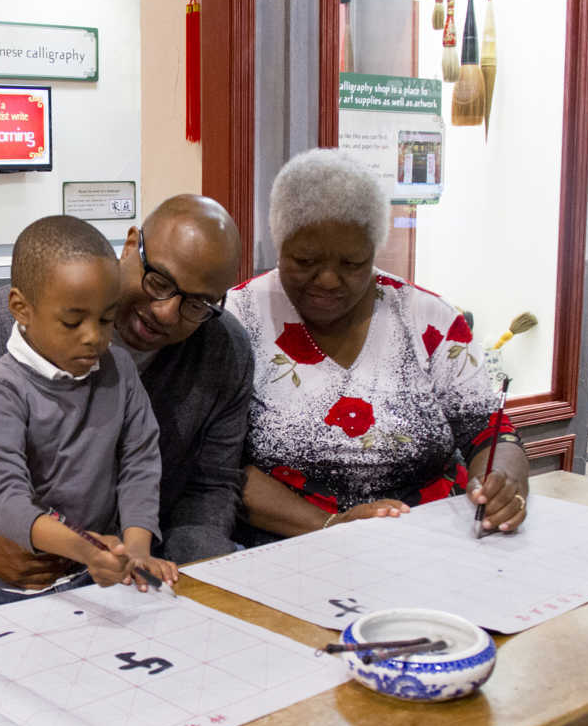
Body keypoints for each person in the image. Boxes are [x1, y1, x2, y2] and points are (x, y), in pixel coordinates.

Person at [0, 195, 251, 611]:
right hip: (10, 580)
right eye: (159, 281)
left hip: (117, 572)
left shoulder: (217, 349)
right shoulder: (0, 331)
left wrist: (177, 569)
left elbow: (203, 483)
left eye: (197, 304)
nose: (165, 312)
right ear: (131, 245)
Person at [226, 149, 528, 544]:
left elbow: (490, 431)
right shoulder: (237, 318)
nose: (329, 280)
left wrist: (503, 482)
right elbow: (217, 467)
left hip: (430, 540)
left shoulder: (429, 320)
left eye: (352, 263)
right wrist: (331, 526)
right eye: (305, 260)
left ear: (374, 250)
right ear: (278, 245)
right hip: (287, 546)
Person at [0, 216, 178, 607]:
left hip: (92, 572)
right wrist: (88, 548)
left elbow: (140, 462)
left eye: (106, 319)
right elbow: (8, 504)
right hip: (11, 586)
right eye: (73, 321)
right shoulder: (2, 390)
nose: (94, 336)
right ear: (20, 308)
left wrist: (137, 547)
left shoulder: (120, 370)